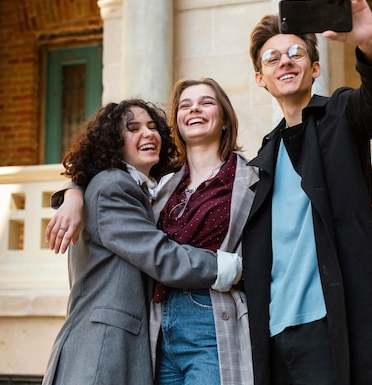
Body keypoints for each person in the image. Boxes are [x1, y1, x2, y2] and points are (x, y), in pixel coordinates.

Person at [243, 0, 372, 385]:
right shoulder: (260, 163)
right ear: (261, 79)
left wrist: (369, 42)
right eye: (272, 58)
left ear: (315, 68)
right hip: (272, 332)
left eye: (295, 53)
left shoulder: (339, 115)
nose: (284, 61)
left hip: (329, 322)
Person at [47, 79, 258, 385]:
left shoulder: (154, 189)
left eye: (152, 126)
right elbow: (159, 254)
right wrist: (230, 266)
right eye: (132, 129)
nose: (147, 134)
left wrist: (74, 190)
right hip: (104, 345)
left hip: (185, 329)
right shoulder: (113, 186)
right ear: (112, 142)